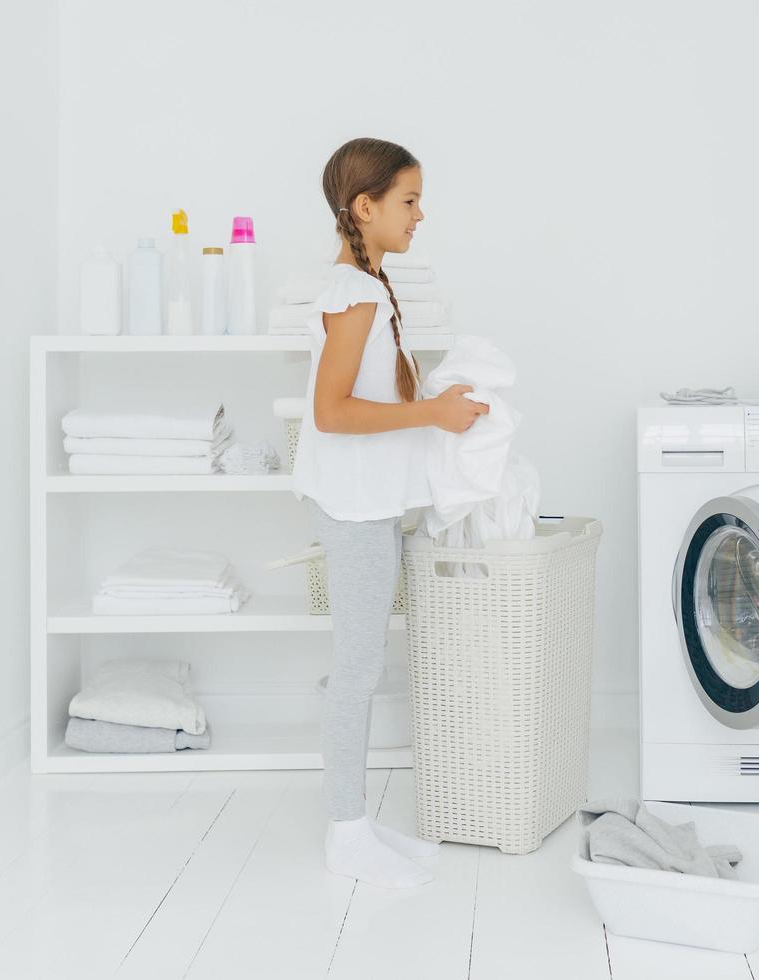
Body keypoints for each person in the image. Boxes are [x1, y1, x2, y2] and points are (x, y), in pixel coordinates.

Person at [291, 137, 488, 888]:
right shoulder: (355, 294)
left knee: (363, 661)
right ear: (365, 208)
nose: (421, 214)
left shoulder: (367, 287)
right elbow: (332, 413)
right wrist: (431, 414)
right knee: (358, 668)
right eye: (408, 200)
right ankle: (346, 830)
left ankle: (356, 822)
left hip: (364, 501)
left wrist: (436, 406)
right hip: (352, 504)